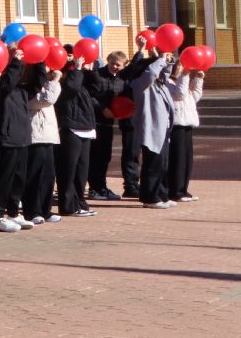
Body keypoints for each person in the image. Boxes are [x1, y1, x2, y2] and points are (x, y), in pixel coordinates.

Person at [128, 38, 179, 209]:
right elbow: (151, 74)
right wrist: (159, 61)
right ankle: (150, 197)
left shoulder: (159, 84)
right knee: (152, 164)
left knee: (163, 164)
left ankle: (162, 194)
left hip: (163, 129)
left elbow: (162, 74)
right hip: (151, 129)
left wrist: (168, 62)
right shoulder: (140, 84)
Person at [54, 55, 101, 218]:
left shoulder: (81, 83)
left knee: (82, 169)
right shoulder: (63, 85)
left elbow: (99, 87)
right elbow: (72, 87)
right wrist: (77, 69)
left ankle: (80, 202)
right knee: (68, 169)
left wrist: (91, 70)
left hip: (86, 129)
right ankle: (67, 206)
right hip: (70, 129)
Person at [0, 51, 30, 232]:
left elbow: (36, 86)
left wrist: (41, 65)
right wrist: (15, 61)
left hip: (22, 136)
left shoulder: (21, 88)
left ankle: (13, 212)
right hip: (7, 135)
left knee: (19, 177)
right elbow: (8, 83)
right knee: (5, 177)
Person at [19, 62, 62, 226]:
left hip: (48, 135)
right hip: (34, 136)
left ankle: (45, 208)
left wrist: (51, 82)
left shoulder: (46, 85)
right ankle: (32, 211)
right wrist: (55, 81)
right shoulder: (27, 88)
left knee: (48, 175)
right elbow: (47, 99)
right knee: (34, 175)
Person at [87, 51, 129, 202]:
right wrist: (102, 109)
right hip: (94, 122)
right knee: (95, 157)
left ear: (124, 65)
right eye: (112, 63)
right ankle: (94, 188)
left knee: (105, 156)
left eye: (118, 64)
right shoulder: (97, 75)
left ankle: (101, 186)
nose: (115, 67)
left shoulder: (121, 80)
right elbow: (89, 95)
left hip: (108, 124)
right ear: (108, 61)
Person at [166, 60, 204, 203]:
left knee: (187, 160)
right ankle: (175, 190)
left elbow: (194, 97)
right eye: (180, 67)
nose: (183, 69)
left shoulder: (182, 81)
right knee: (178, 160)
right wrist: (185, 76)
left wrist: (198, 79)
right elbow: (179, 95)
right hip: (176, 126)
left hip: (188, 124)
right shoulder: (168, 83)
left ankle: (183, 189)